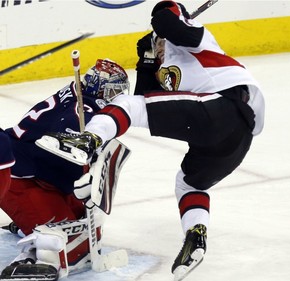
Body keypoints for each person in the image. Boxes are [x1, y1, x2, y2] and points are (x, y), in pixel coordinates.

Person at [37, 1, 265, 280]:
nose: (157, 47)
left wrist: (162, 21)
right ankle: (196, 235)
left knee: (127, 105)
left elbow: (168, 18)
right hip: (233, 136)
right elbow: (148, 98)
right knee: (190, 183)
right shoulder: (166, 63)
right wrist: (145, 61)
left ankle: (88, 140)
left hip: (223, 106)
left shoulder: (197, 39)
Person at [0, 59, 130, 280]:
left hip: (35, 171)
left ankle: (28, 224)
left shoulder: (76, 92)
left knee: (85, 227)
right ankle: (30, 251)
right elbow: (59, 140)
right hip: (16, 178)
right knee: (73, 248)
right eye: (116, 91)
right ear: (104, 90)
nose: (119, 97)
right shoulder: (83, 113)